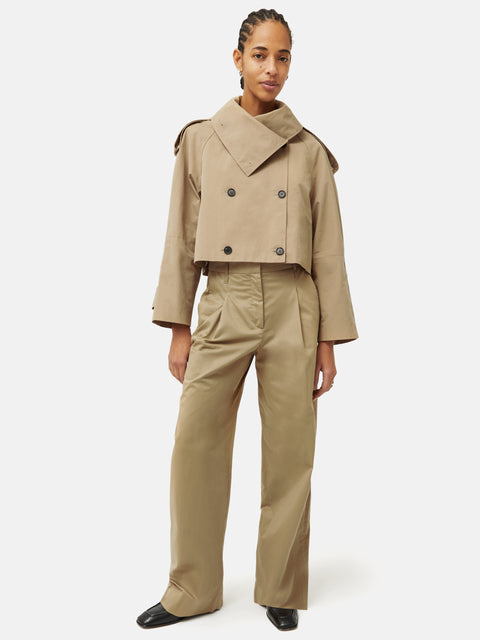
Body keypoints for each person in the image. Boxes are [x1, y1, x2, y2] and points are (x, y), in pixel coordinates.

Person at [136, 8, 359, 632]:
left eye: (283, 57)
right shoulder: (201, 141)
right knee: (195, 446)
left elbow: (328, 249)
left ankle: (280, 587)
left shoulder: (308, 151)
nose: (272, 68)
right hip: (224, 299)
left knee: (290, 453)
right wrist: (179, 325)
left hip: (293, 302)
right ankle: (192, 588)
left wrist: (328, 339)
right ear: (237, 59)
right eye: (260, 54)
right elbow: (180, 237)